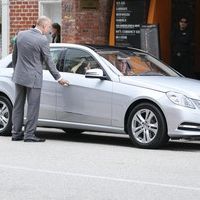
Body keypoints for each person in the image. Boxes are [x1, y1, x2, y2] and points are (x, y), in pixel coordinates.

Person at [11, 16, 69, 142]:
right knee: (33, 106)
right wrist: (58, 78)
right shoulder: (42, 39)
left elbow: (14, 55)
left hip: (19, 76)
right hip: (34, 78)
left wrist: (16, 71)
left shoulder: (20, 34)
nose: (49, 30)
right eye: (48, 27)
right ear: (43, 26)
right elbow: (49, 61)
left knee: (18, 105)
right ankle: (29, 135)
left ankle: (16, 133)